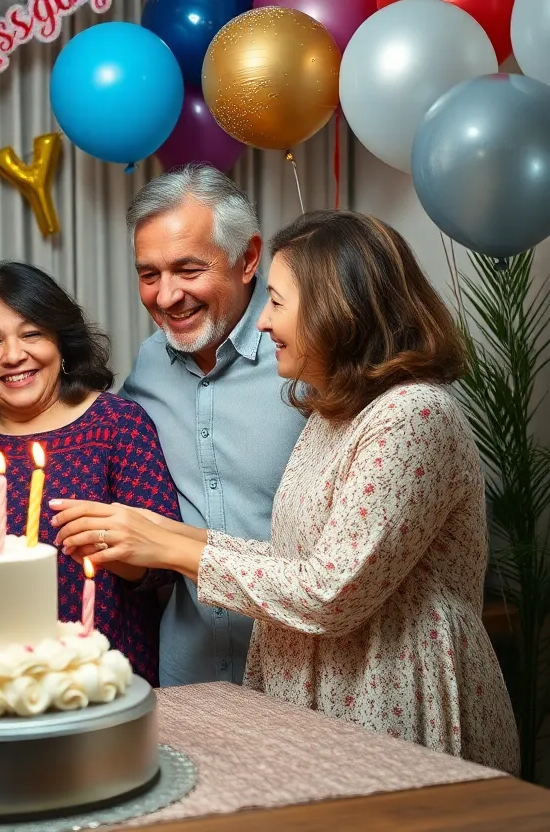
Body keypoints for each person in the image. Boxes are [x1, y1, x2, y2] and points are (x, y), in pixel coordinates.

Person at [53, 211, 520, 772]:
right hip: (325, 686)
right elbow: (296, 560)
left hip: (396, 685)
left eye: (276, 302)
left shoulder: (412, 414)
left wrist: (171, 548)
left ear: (338, 310)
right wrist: (159, 531)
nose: (265, 322)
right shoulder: (334, 411)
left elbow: (330, 592)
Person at [0, 261, 181, 685]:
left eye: (32, 334)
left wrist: (111, 543)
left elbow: (165, 566)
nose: (13, 355)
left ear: (61, 340)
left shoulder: (117, 425)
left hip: (99, 677)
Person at [115, 163, 308, 687]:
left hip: (303, 674)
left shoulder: (308, 356)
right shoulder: (149, 363)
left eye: (188, 270)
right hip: (189, 674)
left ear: (248, 259)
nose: (166, 296)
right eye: (149, 275)